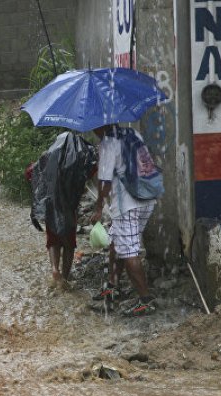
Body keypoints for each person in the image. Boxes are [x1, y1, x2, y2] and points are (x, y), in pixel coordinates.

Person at [90, 124, 157, 316]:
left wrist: (98, 206)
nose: (94, 131)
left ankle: (146, 301)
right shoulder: (133, 132)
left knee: (128, 251)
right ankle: (113, 285)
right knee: (116, 241)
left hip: (127, 203)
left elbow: (104, 181)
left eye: (95, 128)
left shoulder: (108, 143)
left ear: (101, 124)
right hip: (147, 198)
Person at [27, 132, 97, 287]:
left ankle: (54, 270)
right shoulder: (77, 161)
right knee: (69, 244)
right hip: (68, 208)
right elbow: (91, 171)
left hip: (50, 208)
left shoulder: (47, 157)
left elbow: (30, 173)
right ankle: (65, 277)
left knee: (53, 240)